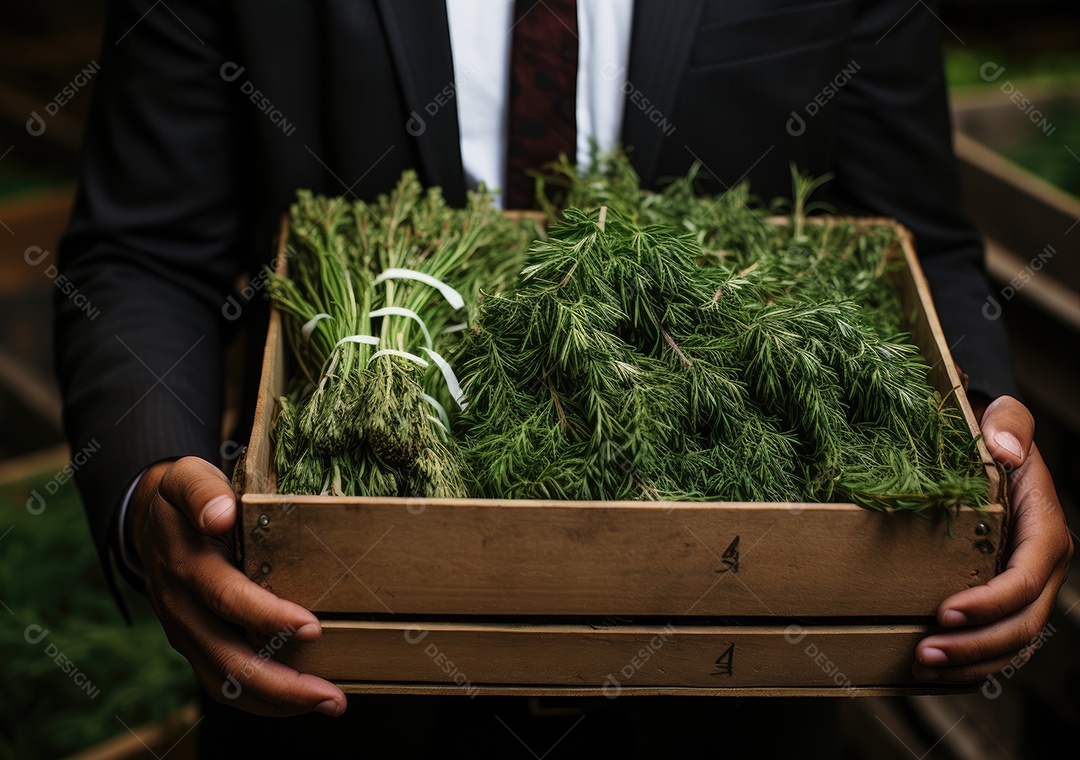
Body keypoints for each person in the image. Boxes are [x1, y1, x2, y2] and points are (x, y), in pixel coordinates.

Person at [54, 0, 1071, 754]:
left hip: (738, 672)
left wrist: (983, 424)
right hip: (333, 672)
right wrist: (154, 485)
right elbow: (144, 255)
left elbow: (918, 238)